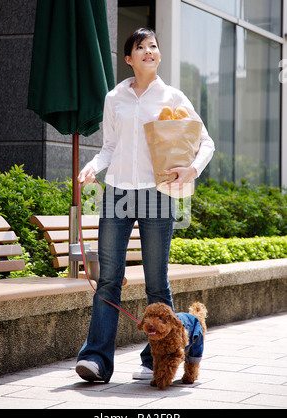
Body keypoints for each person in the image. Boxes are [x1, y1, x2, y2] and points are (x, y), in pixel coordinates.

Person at [75, 28, 215, 383]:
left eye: (153, 46)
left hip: (158, 194)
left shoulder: (173, 96)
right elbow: (109, 146)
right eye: (141, 47)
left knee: (157, 281)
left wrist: (191, 169)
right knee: (108, 279)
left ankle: (154, 360)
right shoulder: (115, 97)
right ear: (129, 58)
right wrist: (93, 167)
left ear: (159, 55)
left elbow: (205, 142)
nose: (149, 51)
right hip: (118, 193)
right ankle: (96, 361)